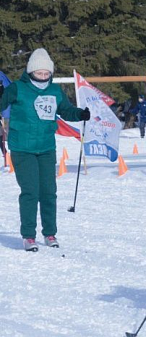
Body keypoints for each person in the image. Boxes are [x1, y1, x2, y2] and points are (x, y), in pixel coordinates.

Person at [0, 49, 90, 252]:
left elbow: (66, 110)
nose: (43, 77)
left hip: (46, 147)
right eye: (39, 73)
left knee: (49, 192)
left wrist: (80, 114)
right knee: (30, 191)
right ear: (30, 72)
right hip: (23, 148)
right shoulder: (17, 88)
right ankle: (28, 236)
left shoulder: (55, 90)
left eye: (46, 73)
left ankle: (50, 233)